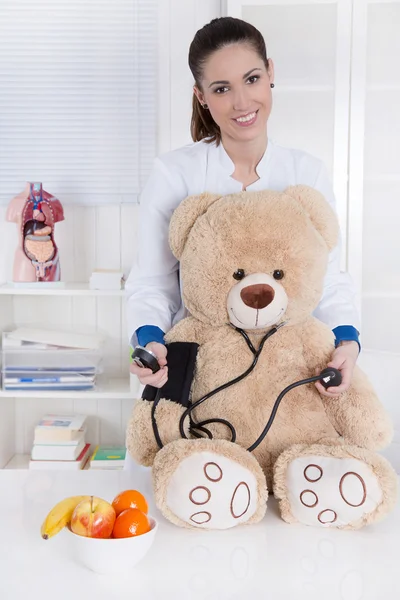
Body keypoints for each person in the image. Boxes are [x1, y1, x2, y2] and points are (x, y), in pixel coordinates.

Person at [126, 16, 360, 401]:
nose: (241, 102)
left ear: (270, 73)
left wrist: (347, 342)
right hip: (197, 370)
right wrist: (151, 342)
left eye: (251, 79)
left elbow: (328, 279)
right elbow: (152, 283)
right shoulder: (174, 174)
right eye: (221, 88)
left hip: (290, 373)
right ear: (201, 95)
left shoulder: (306, 173)